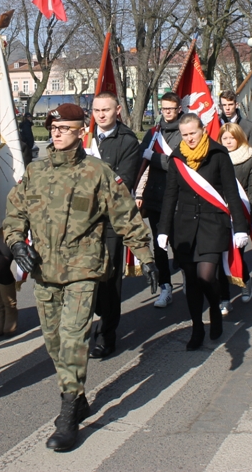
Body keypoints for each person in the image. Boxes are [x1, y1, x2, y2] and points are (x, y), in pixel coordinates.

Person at [5, 103, 157, 452]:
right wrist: (15, 243)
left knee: (74, 339)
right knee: (55, 342)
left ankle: (68, 412)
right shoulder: (36, 171)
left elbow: (125, 216)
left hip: (82, 268)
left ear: (79, 132)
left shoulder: (97, 172)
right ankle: (78, 394)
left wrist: (146, 258)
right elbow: (15, 213)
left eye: (64, 128)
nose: (56, 134)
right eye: (53, 128)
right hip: (45, 270)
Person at [160, 113, 249, 350]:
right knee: (191, 280)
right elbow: (170, 195)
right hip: (185, 228)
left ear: (203, 130)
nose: (189, 138)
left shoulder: (218, 154)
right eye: (185, 134)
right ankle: (197, 326)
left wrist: (240, 228)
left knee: (206, 276)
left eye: (193, 133)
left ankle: (215, 308)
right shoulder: (177, 157)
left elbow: (232, 192)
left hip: (213, 224)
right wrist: (163, 229)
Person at [88, 92, 142, 359]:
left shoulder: (128, 142)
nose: (101, 114)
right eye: (96, 110)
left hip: (110, 220)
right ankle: (89, 324)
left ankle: (106, 335)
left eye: (106, 110)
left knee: (109, 280)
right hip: (82, 222)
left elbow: (123, 183)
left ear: (117, 110)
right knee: (87, 278)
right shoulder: (84, 137)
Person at [136, 92, 183, 308]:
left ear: (179, 109)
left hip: (179, 198)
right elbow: (139, 158)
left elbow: (178, 163)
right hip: (154, 197)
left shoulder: (185, 131)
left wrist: (153, 157)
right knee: (159, 244)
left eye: (171, 109)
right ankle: (166, 286)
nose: (168, 112)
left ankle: (187, 275)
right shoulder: (153, 133)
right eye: (164, 109)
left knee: (179, 242)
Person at [218, 122, 252, 309]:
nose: (228, 142)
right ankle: (224, 298)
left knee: (236, 254)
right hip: (219, 215)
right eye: (224, 138)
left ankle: (244, 281)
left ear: (239, 138)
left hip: (240, 215)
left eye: (232, 138)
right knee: (219, 258)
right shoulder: (215, 158)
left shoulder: (250, 159)